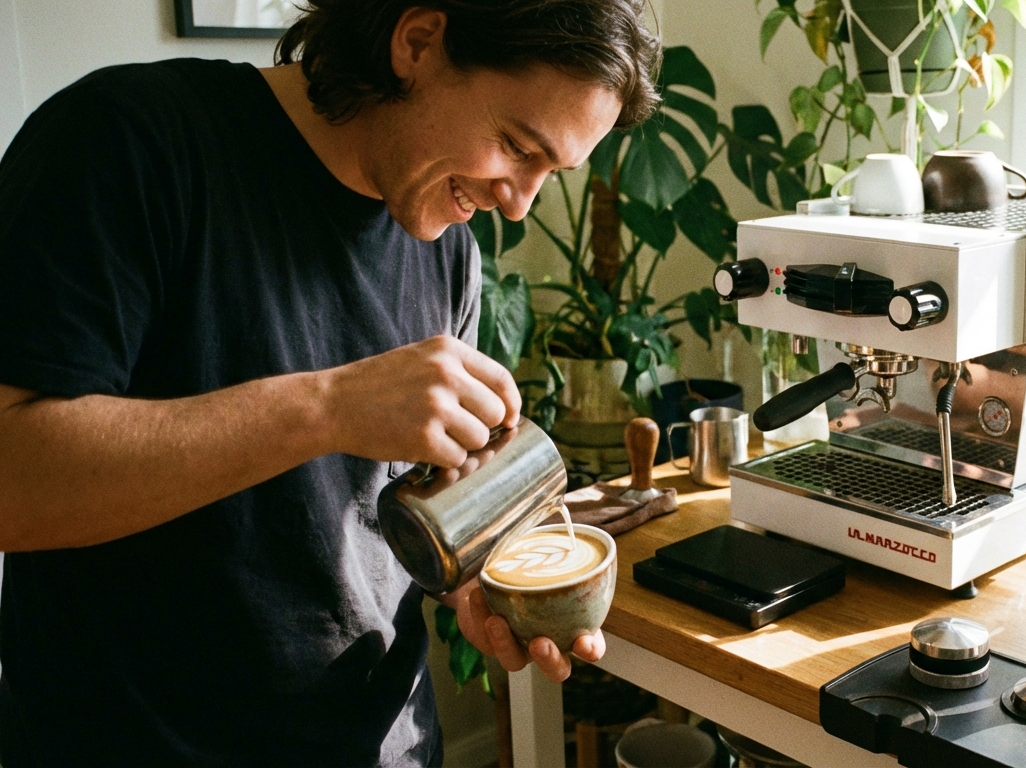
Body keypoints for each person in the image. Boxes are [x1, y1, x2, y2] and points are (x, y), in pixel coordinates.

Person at [0, 0, 660, 764]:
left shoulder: (445, 247)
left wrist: (477, 587)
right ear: (417, 42)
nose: (518, 202)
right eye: (516, 146)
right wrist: (326, 407)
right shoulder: (127, 141)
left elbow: (406, 517)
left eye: (551, 172)